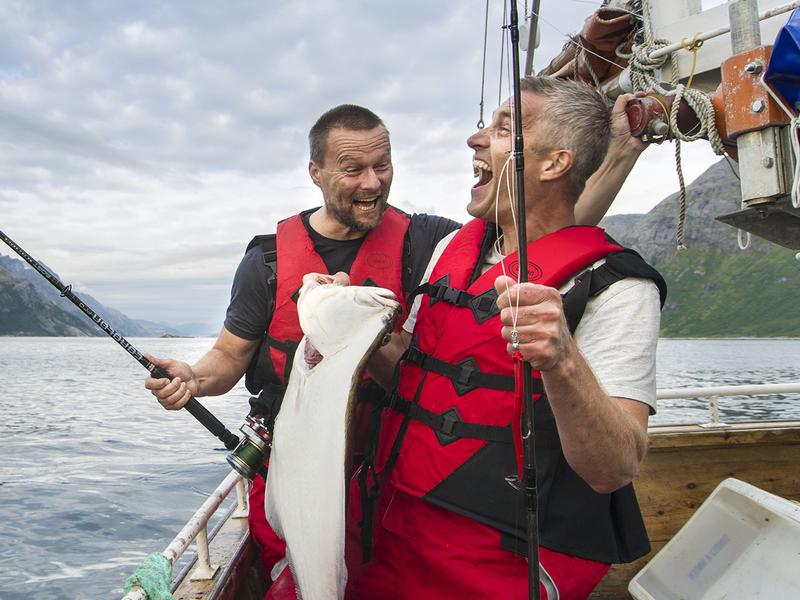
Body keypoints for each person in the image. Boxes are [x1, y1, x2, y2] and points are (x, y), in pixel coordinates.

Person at [144, 98, 647, 596]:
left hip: (408, 492)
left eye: (382, 165)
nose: (372, 182)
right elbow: (230, 357)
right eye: (353, 169)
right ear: (315, 173)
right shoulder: (269, 260)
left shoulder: (431, 241)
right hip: (327, 477)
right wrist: (193, 377)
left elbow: (548, 236)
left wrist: (619, 154)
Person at [344, 77, 666, 600]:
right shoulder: (453, 247)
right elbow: (409, 371)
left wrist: (561, 360)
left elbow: (615, 467)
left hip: (504, 560)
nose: (475, 139)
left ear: (554, 163)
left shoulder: (618, 286)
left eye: (503, 128)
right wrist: (351, 325)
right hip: (391, 527)